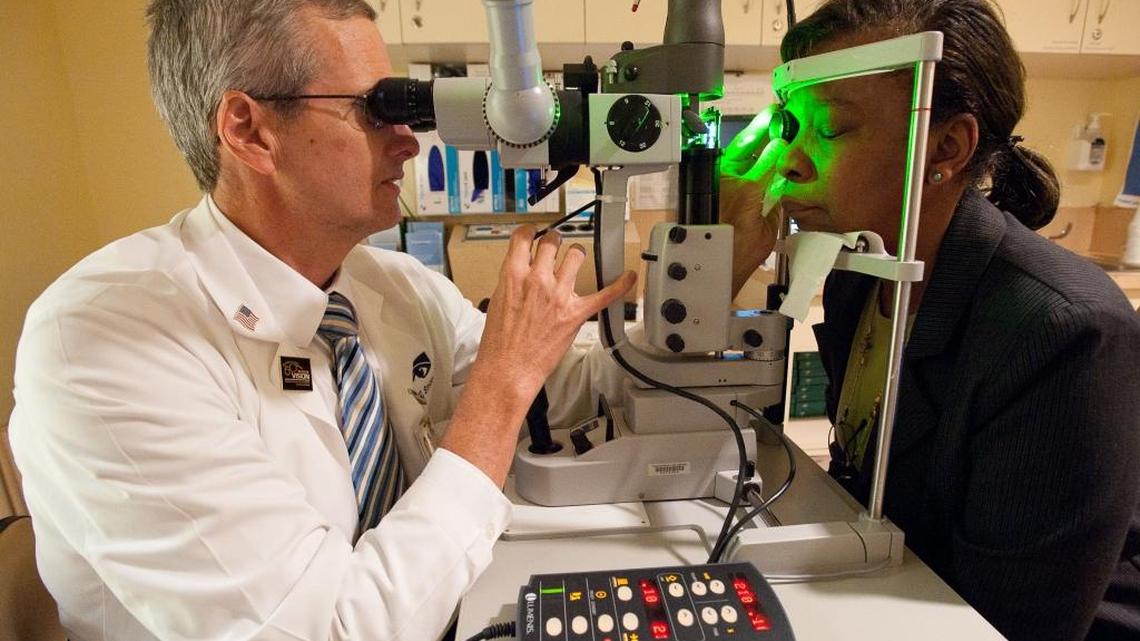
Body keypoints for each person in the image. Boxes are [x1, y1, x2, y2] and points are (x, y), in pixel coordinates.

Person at [7, 2, 634, 640]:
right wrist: (501, 385)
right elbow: (330, 630)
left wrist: (713, 261)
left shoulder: (390, 286)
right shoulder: (106, 341)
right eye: (373, 109)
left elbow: (561, 390)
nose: (408, 140)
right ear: (249, 131)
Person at [721, 1, 1140, 640]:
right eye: (789, 127)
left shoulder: (1064, 332)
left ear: (944, 146)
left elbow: (1019, 623)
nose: (789, 161)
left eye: (829, 130)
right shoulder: (861, 273)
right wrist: (719, 261)